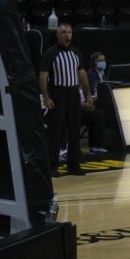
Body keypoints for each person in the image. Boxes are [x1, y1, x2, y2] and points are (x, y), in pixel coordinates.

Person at [39, 23, 91, 176]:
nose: (67, 35)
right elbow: (43, 77)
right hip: (57, 94)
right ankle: (52, 166)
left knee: (74, 129)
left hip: (74, 93)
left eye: (69, 32)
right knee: (55, 131)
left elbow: (82, 74)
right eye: (63, 32)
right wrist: (46, 97)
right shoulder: (50, 53)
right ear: (57, 35)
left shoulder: (76, 52)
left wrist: (87, 94)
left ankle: (74, 164)